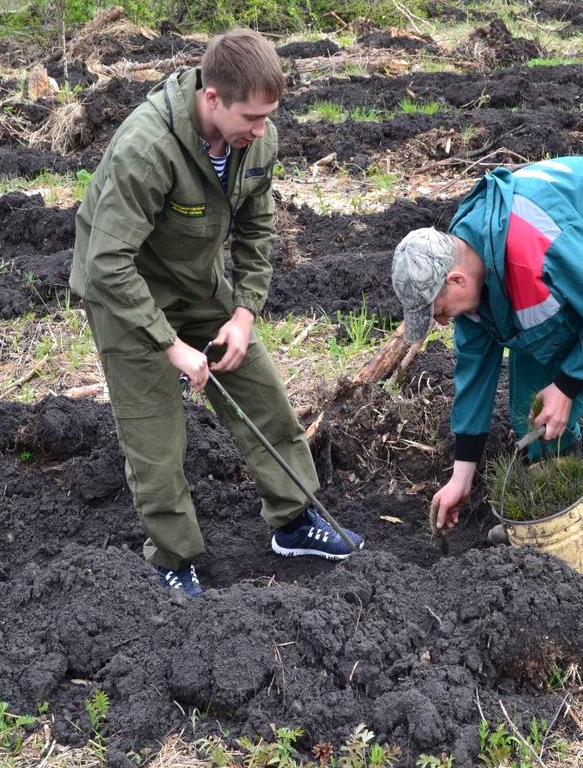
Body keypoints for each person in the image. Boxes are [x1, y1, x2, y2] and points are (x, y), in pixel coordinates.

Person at [71, 29, 363, 598]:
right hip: (124, 293)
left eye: (267, 117)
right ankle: (174, 559)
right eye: (251, 117)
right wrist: (170, 346)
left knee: (262, 393)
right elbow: (107, 264)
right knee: (156, 436)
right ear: (211, 97)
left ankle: (295, 520)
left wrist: (245, 312)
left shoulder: (258, 140)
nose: (262, 130)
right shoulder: (147, 148)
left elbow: (257, 230)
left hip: (197, 282)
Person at [391, 157, 583, 582]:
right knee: (533, 403)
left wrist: (568, 383)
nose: (442, 322)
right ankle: (555, 521)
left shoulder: (528, 246)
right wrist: (461, 473)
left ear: (458, 282)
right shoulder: (471, 257)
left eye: (439, 311)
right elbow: (473, 369)